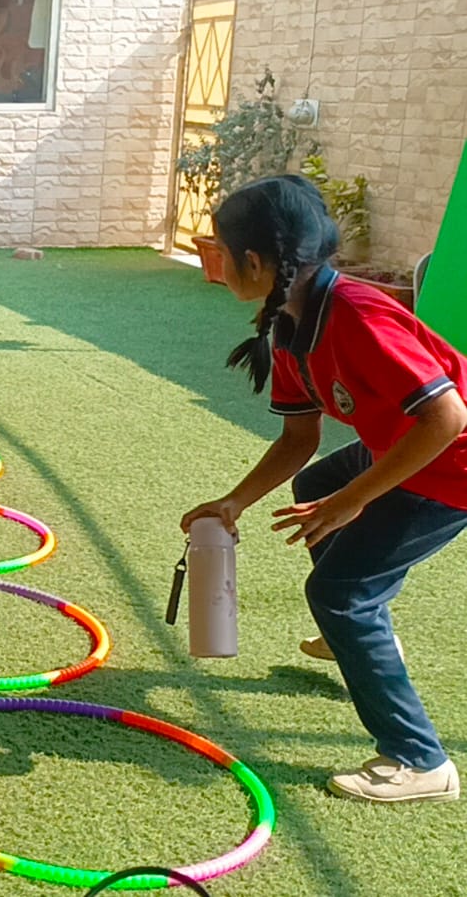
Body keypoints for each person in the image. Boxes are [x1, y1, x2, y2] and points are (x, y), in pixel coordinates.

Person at [181, 174, 467, 803]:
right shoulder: (291, 323)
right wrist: (234, 502)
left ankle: (420, 760)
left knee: (339, 593)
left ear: (254, 262)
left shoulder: (358, 315)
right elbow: (298, 441)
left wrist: (353, 499)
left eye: (221, 250)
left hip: (452, 464)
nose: (217, 261)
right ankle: (365, 637)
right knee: (316, 485)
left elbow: (447, 417)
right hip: (404, 445)